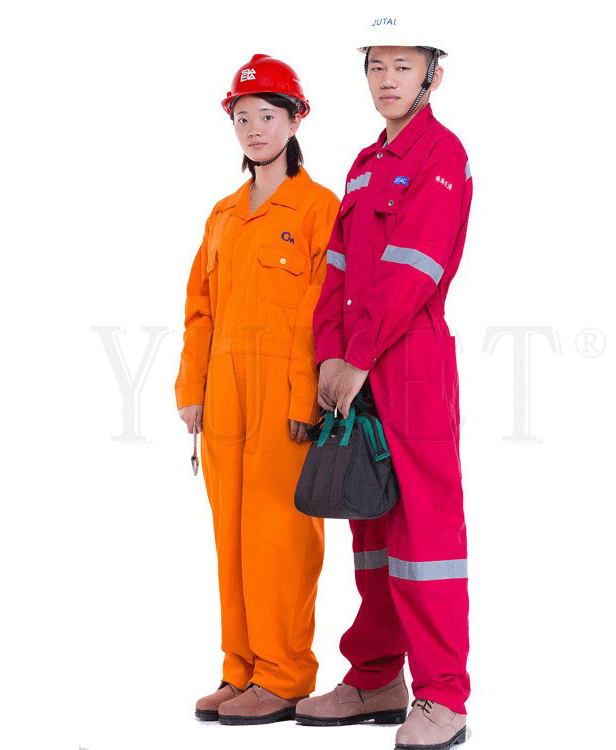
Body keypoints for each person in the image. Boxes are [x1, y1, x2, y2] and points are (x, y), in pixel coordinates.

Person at [294, 16, 473, 750]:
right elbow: (336, 270)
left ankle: (443, 695)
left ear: (433, 74)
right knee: (370, 528)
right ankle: (375, 678)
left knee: (424, 534)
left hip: (411, 365)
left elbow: (414, 269)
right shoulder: (365, 163)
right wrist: (328, 357)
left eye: (403, 65)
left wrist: (359, 354)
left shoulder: (442, 154)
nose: (388, 79)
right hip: (354, 369)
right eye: (377, 66)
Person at [174, 53, 340, 725]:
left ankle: (285, 673)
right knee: (233, 536)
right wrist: (192, 389)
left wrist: (306, 397)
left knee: (281, 537)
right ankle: (239, 669)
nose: (253, 129)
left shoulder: (319, 208)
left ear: (295, 121)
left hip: (283, 391)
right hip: (223, 395)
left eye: (267, 116)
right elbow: (200, 310)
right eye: (242, 118)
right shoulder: (221, 215)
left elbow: (323, 311)